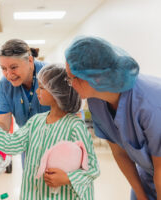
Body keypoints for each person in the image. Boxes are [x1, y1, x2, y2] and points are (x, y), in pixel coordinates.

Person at [0, 64, 100, 199]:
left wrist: (68, 178)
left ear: (58, 92)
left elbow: (92, 167)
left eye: (42, 88)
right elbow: (11, 143)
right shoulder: (36, 122)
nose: (37, 91)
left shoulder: (75, 127)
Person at [65, 36, 161, 200]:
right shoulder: (96, 101)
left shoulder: (151, 101)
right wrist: (141, 195)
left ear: (96, 76)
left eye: (73, 77)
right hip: (148, 177)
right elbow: (119, 152)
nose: (71, 85)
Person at [0, 39, 50, 167]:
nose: (9, 75)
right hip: (28, 147)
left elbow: (73, 116)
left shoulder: (50, 75)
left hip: (58, 146)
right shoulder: (5, 85)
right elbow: (4, 125)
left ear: (30, 61)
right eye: (3, 68)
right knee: (31, 184)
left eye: (13, 67)